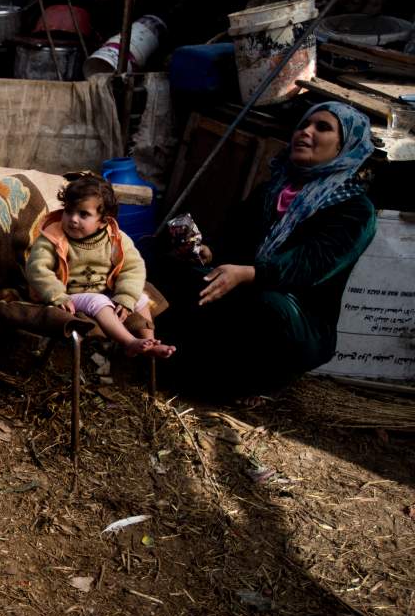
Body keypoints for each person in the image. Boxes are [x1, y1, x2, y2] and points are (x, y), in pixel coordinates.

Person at [154, 101, 377, 398]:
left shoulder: (354, 209)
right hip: (246, 288)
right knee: (170, 266)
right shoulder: (273, 189)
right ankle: (166, 356)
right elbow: (234, 238)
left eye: (322, 128)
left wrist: (249, 273)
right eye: (303, 125)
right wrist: (209, 252)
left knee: (264, 305)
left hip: (295, 315)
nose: (305, 132)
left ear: (345, 145)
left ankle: (225, 381)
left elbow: (310, 264)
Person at [25, 174, 175, 358]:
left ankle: (149, 340)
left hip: (106, 289)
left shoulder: (116, 239)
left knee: (140, 297)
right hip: (70, 295)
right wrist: (56, 295)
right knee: (99, 302)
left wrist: (126, 297)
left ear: (103, 220)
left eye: (83, 214)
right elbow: (37, 269)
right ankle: (129, 342)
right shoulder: (52, 238)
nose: (72, 219)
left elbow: (133, 268)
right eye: (69, 210)